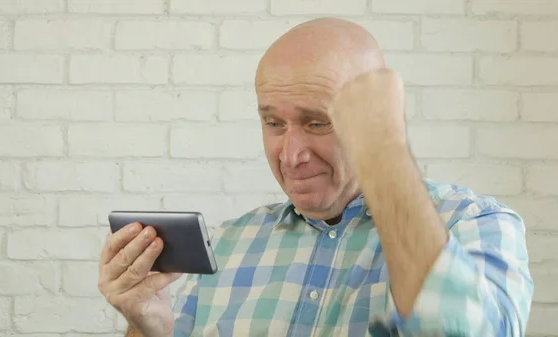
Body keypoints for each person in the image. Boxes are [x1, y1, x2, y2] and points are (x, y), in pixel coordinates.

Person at [98, 17, 534, 337]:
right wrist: (148, 325)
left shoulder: (473, 224)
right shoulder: (229, 244)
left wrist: (385, 153)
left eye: (316, 123)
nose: (291, 155)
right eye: (273, 123)